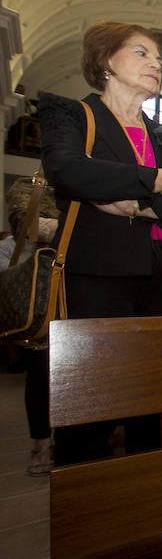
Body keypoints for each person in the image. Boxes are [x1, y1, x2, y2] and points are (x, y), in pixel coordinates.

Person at [38, 20, 162, 559]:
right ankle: (86, 549)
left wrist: (134, 205)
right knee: (90, 411)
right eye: (142, 52)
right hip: (98, 276)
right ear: (105, 61)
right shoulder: (69, 113)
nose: (156, 63)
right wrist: (154, 183)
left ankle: (149, 537)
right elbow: (71, 172)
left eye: (160, 57)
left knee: (153, 410)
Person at [4, 171, 59, 477]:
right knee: (41, 370)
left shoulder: (89, 183)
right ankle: (40, 443)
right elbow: (33, 230)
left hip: (82, 285)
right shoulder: (29, 186)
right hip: (42, 290)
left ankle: (69, 441)